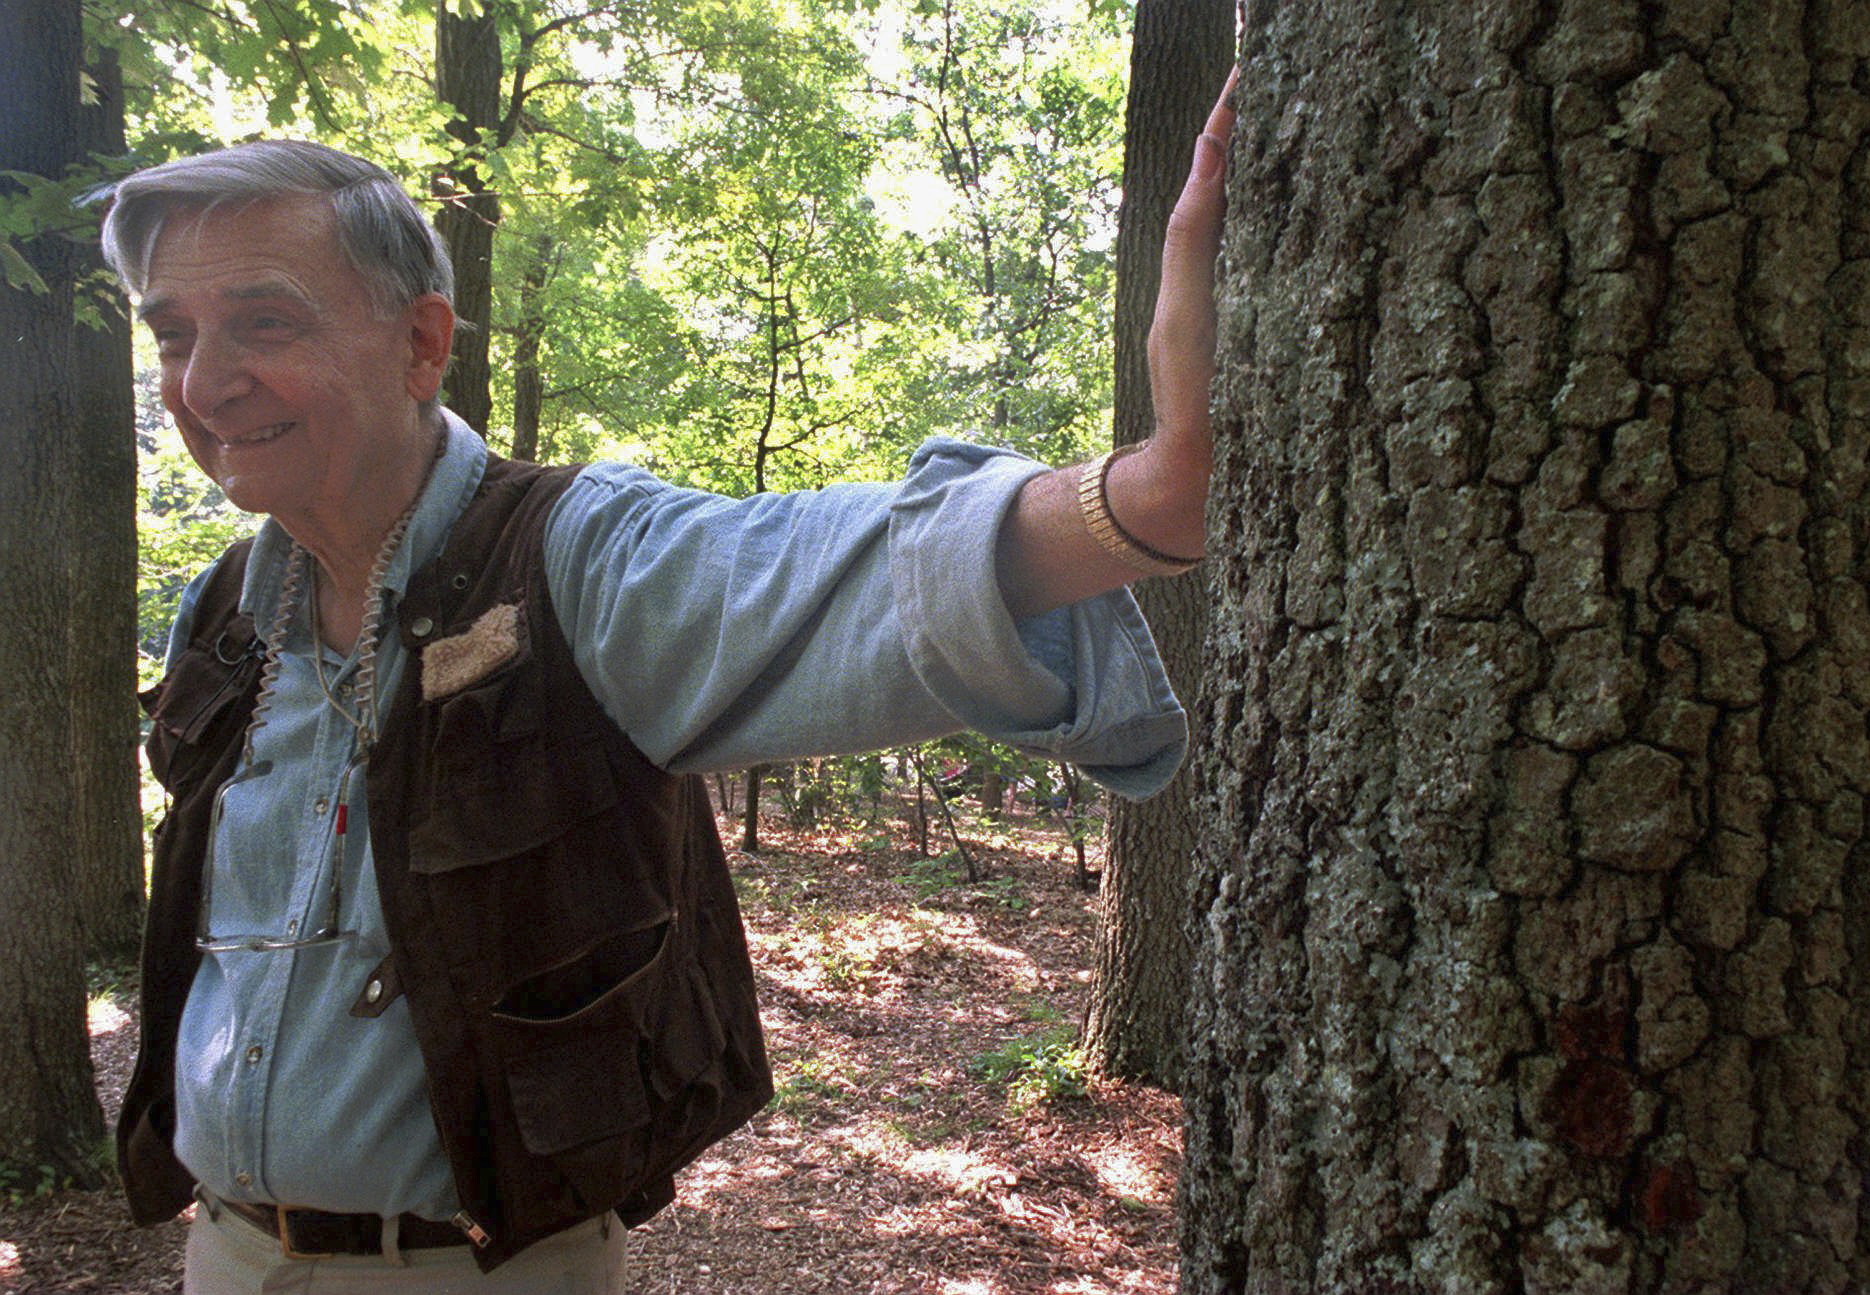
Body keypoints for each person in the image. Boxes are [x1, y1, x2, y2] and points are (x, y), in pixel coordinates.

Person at [107, 68, 1238, 1292]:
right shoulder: (225, 607)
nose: (202, 382)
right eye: (174, 333)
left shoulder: (571, 557)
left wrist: (1153, 496)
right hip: (219, 1253)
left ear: (421, 341)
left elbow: (829, 568)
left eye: (264, 323)